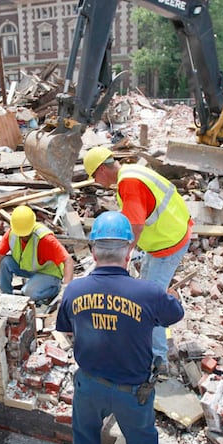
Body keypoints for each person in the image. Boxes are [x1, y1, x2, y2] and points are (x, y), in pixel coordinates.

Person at [56, 211, 185, 444]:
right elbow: (174, 314)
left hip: (89, 385)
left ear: (93, 252)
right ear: (129, 251)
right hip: (132, 392)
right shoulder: (148, 293)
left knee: (85, 440)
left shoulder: (74, 290)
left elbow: (66, 327)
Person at [82, 147, 193, 374]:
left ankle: (157, 359)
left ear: (102, 169)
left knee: (149, 301)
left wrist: (123, 257)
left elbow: (136, 225)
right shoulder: (131, 171)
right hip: (171, 232)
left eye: (95, 176)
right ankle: (149, 341)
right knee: (146, 288)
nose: (96, 181)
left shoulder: (128, 184)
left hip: (168, 243)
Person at [0, 205, 74, 303]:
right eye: (21, 234)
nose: (23, 236)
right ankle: (6, 296)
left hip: (48, 272)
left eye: (26, 234)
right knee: (5, 262)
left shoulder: (45, 239)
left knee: (27, 293)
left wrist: (66, 289)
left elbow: (68, 260)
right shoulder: (12, 233)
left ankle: (55, 289)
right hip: (29, 268)